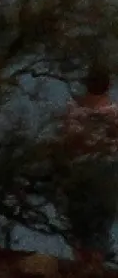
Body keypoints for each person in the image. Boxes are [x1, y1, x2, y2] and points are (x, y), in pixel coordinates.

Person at [60, 63, 118, 268]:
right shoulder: (114, 113)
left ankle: (82, 264)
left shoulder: (73, 108)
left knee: (80, 221)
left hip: (79, 167)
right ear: (108, 86)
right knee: (100, 222)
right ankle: (94, 265)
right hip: (105, 169)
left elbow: (66, 139)